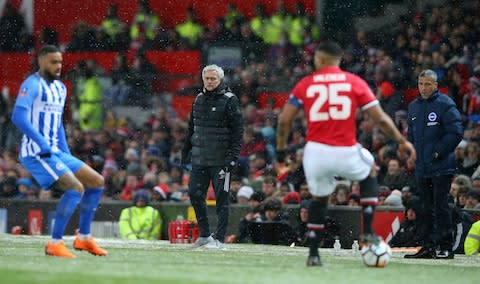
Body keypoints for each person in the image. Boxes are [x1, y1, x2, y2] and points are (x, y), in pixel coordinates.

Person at [275, 41, 416, 266]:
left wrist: (281, 153)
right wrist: (401, 141)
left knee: (319, 199)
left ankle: (313, 254)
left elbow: (284, 120)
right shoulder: (354, 82)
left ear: (319, 60)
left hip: (315, 152)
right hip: (344, 149)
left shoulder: (306, 84)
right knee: (369, 168)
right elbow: (379, 118)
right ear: (339, 60)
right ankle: (368, 232)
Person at [11, 45, 107, 259]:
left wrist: (66, 152)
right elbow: (18, 117)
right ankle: (55, 243)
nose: (58, 66)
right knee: (75, 188)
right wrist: (42, 143)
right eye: (53, 62)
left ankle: (83, 237)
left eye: (61, 62)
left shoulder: (61, 88)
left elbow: (58, 124)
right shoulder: (32, 84)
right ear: (41, 61)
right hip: (37, 152)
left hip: (55, 151)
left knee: (97, 181)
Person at [181, 64, 243, 250]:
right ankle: (205, 235)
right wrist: (185, 153)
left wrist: (233, 158)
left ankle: (220, 239)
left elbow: (238, 132)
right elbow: (192, 128)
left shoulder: (230, 100)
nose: (209, 81)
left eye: (213, 79)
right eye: (206, 78)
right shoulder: (198, 99)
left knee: (222, 199)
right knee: (194, 193)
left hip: (221, 161)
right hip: (200, 159)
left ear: (220, 80)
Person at [404, 69, 463, 260]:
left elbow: (455, 132)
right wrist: (412, 152)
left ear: (436, 85)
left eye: (428, 84)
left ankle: (445, 247)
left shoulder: (445, 104)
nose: (423, 87)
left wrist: (438, 152)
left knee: (440, 206)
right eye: (421, 84)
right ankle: (428, 246)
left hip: (441, 166)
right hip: (422, 167)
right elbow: (411, 135)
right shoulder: (413, 107)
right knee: (424, 208)